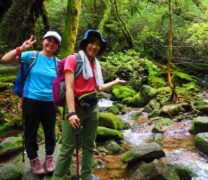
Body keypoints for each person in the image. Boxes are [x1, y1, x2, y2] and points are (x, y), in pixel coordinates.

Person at [52, 29, 126, 180]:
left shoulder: (95, 64)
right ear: (85, 44)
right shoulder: (73, 59)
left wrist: (116, 82)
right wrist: (71, 113)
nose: (94, 46)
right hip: (75, 108)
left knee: (89, 145)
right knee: (67, 148)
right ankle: (57, 178)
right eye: (91, 43)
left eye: (98, 44)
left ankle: (86, 176)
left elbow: (98, 88)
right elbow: (69, 88)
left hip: (92, 108)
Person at [1, 31, 61, 175]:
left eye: (54, 42)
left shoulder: (58, 63)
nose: (50, 44)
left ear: (57, 46)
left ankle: (49, 157)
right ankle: (34, 159)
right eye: (48, 40)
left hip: (50, 102)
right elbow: (5, 59)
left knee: (50, 131)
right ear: (43, 41)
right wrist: (21, 48)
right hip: (31, 100)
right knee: (30, 131)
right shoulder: (31, 56)